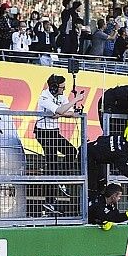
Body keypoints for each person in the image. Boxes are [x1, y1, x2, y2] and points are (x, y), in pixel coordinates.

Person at [34, 74, 86, 211]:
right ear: (54, 87)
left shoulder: (62, 97)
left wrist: (60, 113)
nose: (64, 90)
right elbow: (61, 110)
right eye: (62, 87)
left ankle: (62, 180)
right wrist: (75, 100)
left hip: (54, 132)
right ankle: (49, 200)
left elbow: (68, 112)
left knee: (71, 150)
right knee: (51, 162)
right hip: (43, 132)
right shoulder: (44, 96)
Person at [86, 125, 128, 198]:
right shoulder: (123, 154)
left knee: (101, 182)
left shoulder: (120, 138)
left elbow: (100, 139)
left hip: (88, 149)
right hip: (87, 159)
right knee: (93, 188)